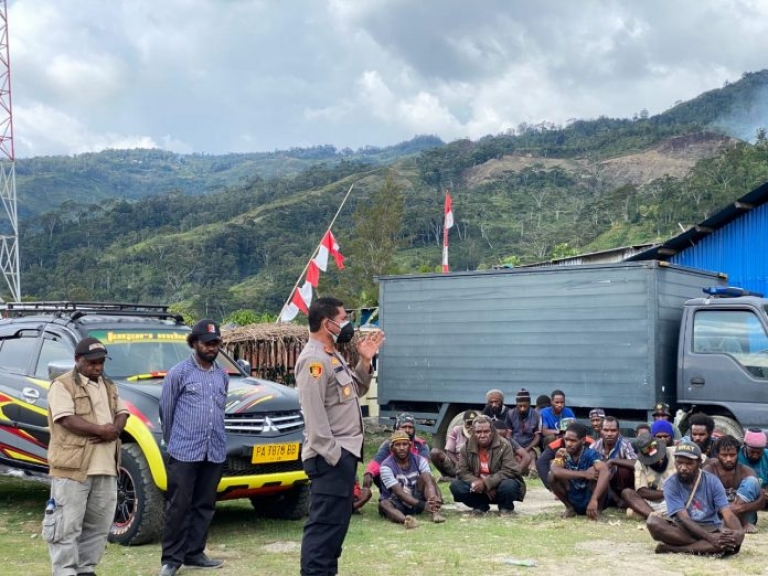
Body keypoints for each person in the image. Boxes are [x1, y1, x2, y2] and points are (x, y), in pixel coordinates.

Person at [296, 297, 383, 576]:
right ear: (327, 323)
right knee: (323, 528)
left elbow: (353, 391)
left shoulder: (332, 354)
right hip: (329, 457)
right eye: (343, 318)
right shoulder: (313, 360)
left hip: (342, 455)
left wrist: (364, 360)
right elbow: (314, 414)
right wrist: (335, 454)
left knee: (336, 527)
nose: (347, 324)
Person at [44, 337, 130, 576]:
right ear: (77, 360)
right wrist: (100, 430)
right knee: (65, 526)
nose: (98, 367)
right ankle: (65, 572)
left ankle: (85, 570)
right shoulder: (62, 385)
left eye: (101, 362)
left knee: (99, 527)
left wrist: (114, 428)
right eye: (92, 363)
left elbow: (123, 412)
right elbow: (65, 418)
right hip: (72, 469)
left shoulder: (109, 385)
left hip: (106, 467)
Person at [159, 319, 228, 576]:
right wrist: (174, 441)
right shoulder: (178, 373)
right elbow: (166, 412)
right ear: (194, 344)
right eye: (207, 343)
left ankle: (195, 553)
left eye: (216, 343)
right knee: (179, 505)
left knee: (205, 504)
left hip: (215, 449)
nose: (212, 348)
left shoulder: (222, 375)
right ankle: (171, 559)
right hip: (184, 451)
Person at [646, 440, 744, 555]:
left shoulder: (713, 481)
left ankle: (675, 549)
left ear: (699, 463)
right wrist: (710, 539)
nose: (683, 467)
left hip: (711, 527)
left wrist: (739, 533)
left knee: (733, 541)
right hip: (684, 528)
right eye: (679, 463)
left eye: (689, 463)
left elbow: (727, 513)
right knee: (652, 522)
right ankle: (706, 546)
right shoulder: (670, 483)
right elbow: (684, 519)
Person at [450, 415, 526, 515]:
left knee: (509, 485)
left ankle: (506, 507)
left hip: (499, 488)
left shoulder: (504, 445)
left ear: (492, 431)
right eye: (478, 432)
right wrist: (478, 484)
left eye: (486, 431)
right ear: (473, 432)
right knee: (456, 485)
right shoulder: (466, 448)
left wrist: (486, 483)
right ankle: (480, 506)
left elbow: (509, 470)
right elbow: (462, 472)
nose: (482, 435)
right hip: (479, 491)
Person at [357, 413, 431, 509]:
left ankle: (430, 502)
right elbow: (375, 463)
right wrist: (368, 477)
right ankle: (390, 496)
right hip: (395, 484)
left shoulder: (421, 445)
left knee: (426, 477)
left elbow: (423, 471)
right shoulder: (388, 445)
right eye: (404, 427)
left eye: (410, 427)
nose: (407, 430)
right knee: (376, 473)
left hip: (416, 485)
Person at [378, 430, 444, 527]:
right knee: (384, 503)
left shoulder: (420, 460)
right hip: (398, 502)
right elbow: (399, 493)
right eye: (398, 445)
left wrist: (431, 502)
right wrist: (422, 505)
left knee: (427, 477)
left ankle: (435, 511)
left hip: (417, 498)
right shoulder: (385, 466)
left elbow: (429, 482)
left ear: (410, 446)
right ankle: (406, 520)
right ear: (391, 448)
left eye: (405, 444)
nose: (402, 448)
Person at [702, 435, 764, 533]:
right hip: (717, 514)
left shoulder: (746, 471)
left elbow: (761, 500)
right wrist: (726, 509)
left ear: (737, 454)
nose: (729, 459)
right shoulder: (709, 469)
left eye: (732, 455)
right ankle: (730, 523)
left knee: (752, 481)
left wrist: (742, 507)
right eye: (724, 455)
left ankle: (736, 523)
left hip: (744, 515)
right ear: (717, 454)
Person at [549, 422, 610, 519]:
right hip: (573, 495)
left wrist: (594, 499)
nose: (568, 444)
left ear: (583, 440)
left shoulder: (590, 454)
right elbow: (555, 471)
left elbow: (605, 471)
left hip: (590, 496)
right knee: (551, 476)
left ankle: (598, 510)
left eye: (573, 441)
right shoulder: (562, 453)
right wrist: (584, 474)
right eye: (567, 440)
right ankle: (570, 508)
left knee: (599, 474)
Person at [622, 433, 676, 519]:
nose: (658, 461)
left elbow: (703, 460)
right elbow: (641, 491)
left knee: (632, 512)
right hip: (655, 501)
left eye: (659, 457)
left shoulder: (676, 452)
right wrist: (667, 493)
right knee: (627, 493)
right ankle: (655, 517)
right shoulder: (640, 464)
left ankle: (653, 516)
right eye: (653, 460)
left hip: (677, 499)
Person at [590, 416, 637, 508]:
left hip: (621, 486)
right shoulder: (594, 446)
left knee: (624, 470)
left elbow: (637, 464)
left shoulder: (624, 444)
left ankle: (624, 499)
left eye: (613, 430)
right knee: (596, 472)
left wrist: (613, 461)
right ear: (600, 430)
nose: (609, 434)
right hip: (602, 486)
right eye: (606, 430)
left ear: (618, 431)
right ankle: (614, 501)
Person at [431, 409, 479, 480]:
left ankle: (456, 478)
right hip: (456, 465)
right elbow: (449, 451)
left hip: (472, 467)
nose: (471, 426)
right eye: (469, 423)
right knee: (434, 452)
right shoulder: (456, 430)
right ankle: (445, 475)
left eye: (473, 423)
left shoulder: (480, 432)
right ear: (464, 423)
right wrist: (457, 463)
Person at [505, 388, 541, 473]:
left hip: (530, 446)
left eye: (525, 406)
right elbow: (508, 435)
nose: (522, 409)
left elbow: (537, 436)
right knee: (516, 457)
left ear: (529, 404)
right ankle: (524, 470)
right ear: (516, 404)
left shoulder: (537, 415)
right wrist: (515, 448)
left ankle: (532, 470)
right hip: (515, 446)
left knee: (531, 455)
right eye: (519, 406)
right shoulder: (510, 414)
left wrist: (528, 448)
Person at [738, 428, 768, 501]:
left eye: (759, 452)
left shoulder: (767, 455)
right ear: (745, 446)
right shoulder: (736, 456)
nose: (755, 455)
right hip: (743, 497)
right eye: (752, 452)